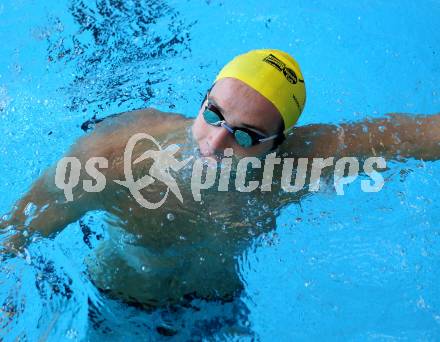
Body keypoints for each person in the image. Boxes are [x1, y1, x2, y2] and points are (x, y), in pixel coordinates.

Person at [1, 49, 439, 308]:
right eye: (212, 114)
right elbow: (15, 230)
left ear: (277, 143)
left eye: (246, 136)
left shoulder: (295, 165)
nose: (214, 142)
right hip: (118, 306)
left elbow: (411, 137)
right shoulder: (115, 156)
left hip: (219, 311)